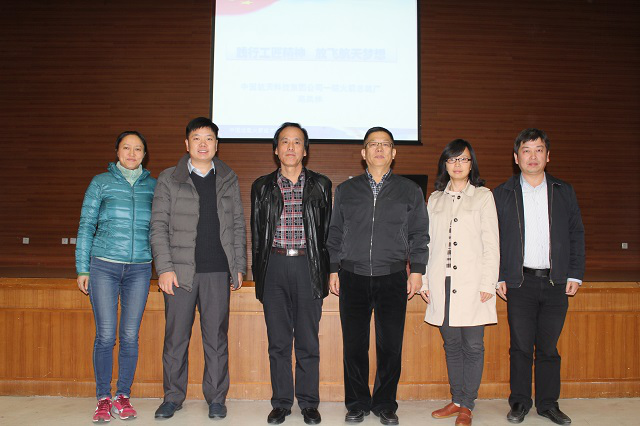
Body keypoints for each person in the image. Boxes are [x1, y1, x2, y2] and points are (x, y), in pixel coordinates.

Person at [326, 127, 429, 426]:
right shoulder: (346, 190)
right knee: (354, 346)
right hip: (353, 276)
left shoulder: (410, 190)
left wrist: (417, 270)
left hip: (392, 276)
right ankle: (357, 403)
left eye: (386, 144)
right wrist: (333, 268)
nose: (379, 149)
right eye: (373, 144)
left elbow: (419, 233)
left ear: (394, 153)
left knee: (390, 346)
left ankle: (385, 403)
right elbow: (335, 232)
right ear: (364, 152)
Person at [150, 117, 246, 420]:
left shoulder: (228, 178)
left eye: (209, 139)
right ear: (187, 144)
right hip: (179, 273)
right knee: (176, 338)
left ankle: (216, 398)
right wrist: (164, 268)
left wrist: (238, 265)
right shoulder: (169, 178)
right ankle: (172, 397)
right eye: (196, 138)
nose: (203, 144)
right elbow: (158, 226)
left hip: (218, 270)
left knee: (216, 339)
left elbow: (237, 225)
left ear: (217, 145)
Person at [493, 128, 585, 425]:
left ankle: (548, 404)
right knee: (520, 347)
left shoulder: (563, 190)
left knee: (548, 348)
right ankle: (519, 402)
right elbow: (492, 239)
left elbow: (576, 233)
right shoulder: (502, 193)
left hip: (556, 281)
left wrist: (575, 273)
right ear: (516, 157)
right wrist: (499, 275)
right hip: (519, 282)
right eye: (526, 150)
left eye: (539, 150)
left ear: (548, 156)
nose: (532, 156)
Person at [251, 122, 332, 425]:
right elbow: (256, 234)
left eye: (297, 142)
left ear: (305, 150)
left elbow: (327, 232)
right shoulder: (262, 186)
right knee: (279, 342)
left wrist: (328, 270)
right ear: (276, 149)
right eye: (284, 141)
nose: (290, 147)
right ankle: (282, 402)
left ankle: (309, 403)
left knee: (308, 340)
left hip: (308, 266)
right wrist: (259, 274)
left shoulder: (321, 185)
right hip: (274, 265)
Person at [75, 131, 156, 423]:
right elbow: (86, 225)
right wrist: (82, 268)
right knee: (106, 335)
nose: (132, 153)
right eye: (126, 148)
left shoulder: (154, 186)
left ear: (144, 154)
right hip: (104, 266)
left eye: (138, 149)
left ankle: (123, 396)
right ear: (117, 152)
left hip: (140, 269)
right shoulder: (101, 182)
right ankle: (102, 398)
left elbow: (159, 228)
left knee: (130, 336)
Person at [419, 139, 499, 426]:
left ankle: (467, 404)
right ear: (445, 164)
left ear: (471, 163)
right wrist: (425, 281)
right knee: (451, 345)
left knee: (473, 346)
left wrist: (488, 283)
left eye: (463, 159)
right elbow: (427, 244)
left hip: (473, 283)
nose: (457, 164)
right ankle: (456, 399)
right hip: (441, 282)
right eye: (452, 159)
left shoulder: (483, 196)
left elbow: (491, 243)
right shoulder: (434, 199)